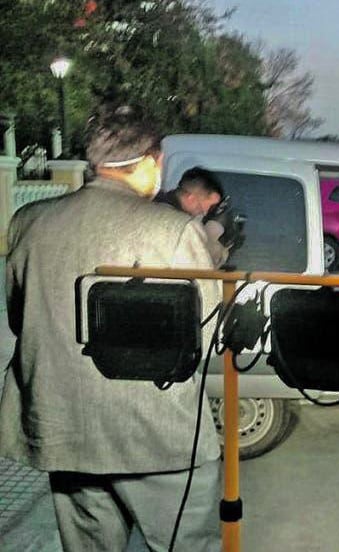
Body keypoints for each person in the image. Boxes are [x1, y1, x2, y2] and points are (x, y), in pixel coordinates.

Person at [0, 110, 222, 552]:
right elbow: (204, 329)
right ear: (148, 162)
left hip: (62, 425)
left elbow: (17, 315)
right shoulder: (175, 230)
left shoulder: (28, 221)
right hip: (155, 434)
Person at [155, 166, 231, 267]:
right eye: (210, 207)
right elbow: (201, 264)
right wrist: (212, 234)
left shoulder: (150, 205)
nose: (205, 213)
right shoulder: (182, 225)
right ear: (190, 198)